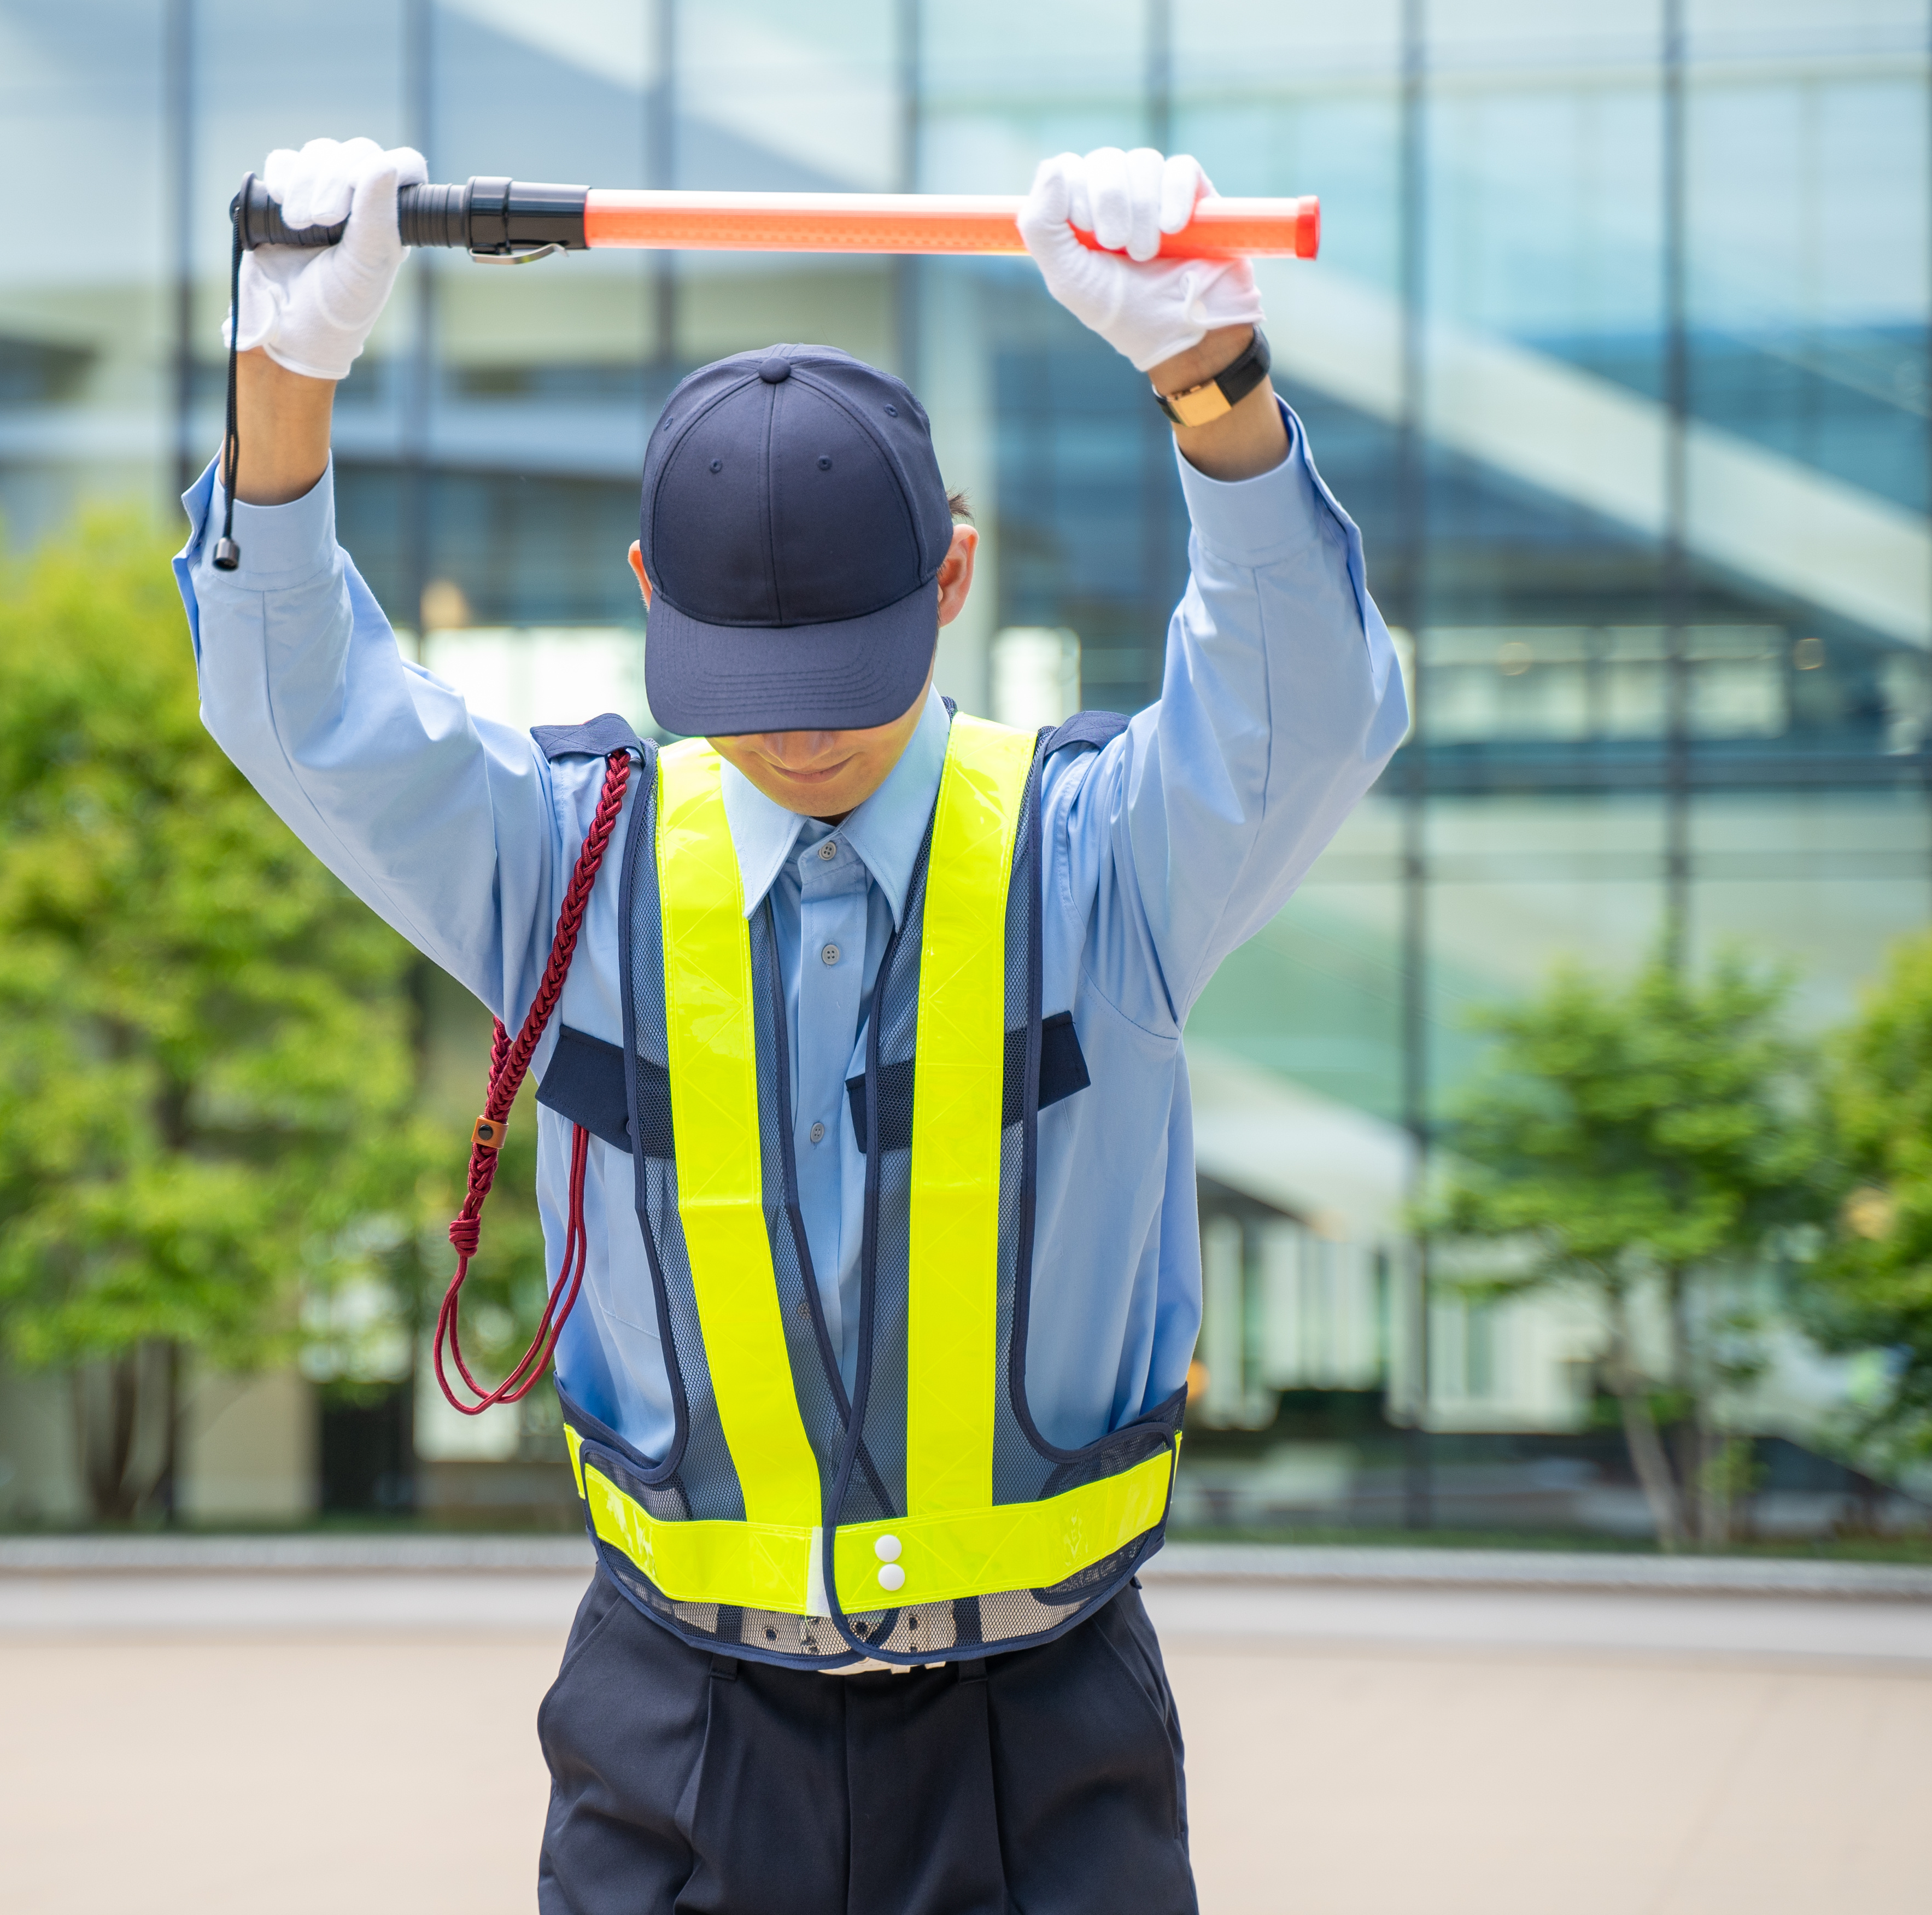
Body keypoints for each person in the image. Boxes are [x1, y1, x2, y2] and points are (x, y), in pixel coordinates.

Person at [175, 136, 1405, 1915]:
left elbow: (1309, 712)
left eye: (849, 670)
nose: (802, 736)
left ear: (956, 577)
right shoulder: (571, 860)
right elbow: (300, 711)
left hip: (1040, 1740)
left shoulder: (1099, 858)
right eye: (750, 687)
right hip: (674, 1727)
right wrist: (280, 381)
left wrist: (1213, 394)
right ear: (645, 593)